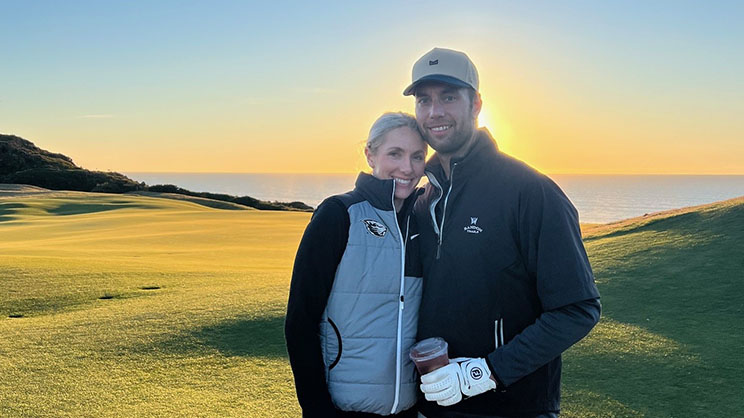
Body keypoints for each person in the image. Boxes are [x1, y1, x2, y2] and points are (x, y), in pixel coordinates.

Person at [404, 48, 601, 417]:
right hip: (434, 407)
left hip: (514, 408)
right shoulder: (422, 197)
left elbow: (578, 308)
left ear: (476, 104)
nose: (435, 113)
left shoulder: (530, 191)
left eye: (449, 97)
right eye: (424, 101)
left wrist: (486, 373)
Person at [285, 112, 428, 417]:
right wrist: (318, 410)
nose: (407, 167)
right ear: (370, 154)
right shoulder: (338, 215)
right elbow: (300, 320)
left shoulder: (423, 223)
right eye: (395, 153)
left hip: (407, 409)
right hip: (342, 409)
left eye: (417, 156)